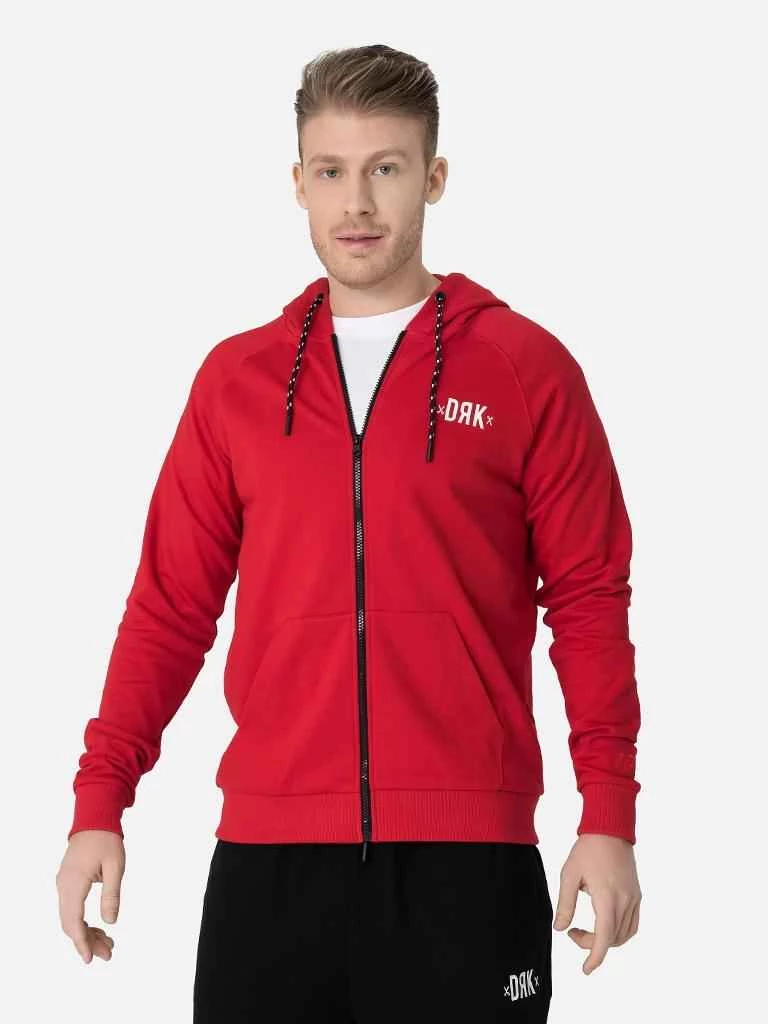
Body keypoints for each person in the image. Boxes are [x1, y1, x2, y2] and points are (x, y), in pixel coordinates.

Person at [56, 43, 642, 1022]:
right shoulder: (238, 384)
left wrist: (608, 815)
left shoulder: (525, 369)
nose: (357, 202)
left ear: (434, 177)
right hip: (270, 865)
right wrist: (98, 804)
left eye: (386, 168)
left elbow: (587, 599)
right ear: (298, 183)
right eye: (331, 171)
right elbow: (169, 608)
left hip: (471, 864)